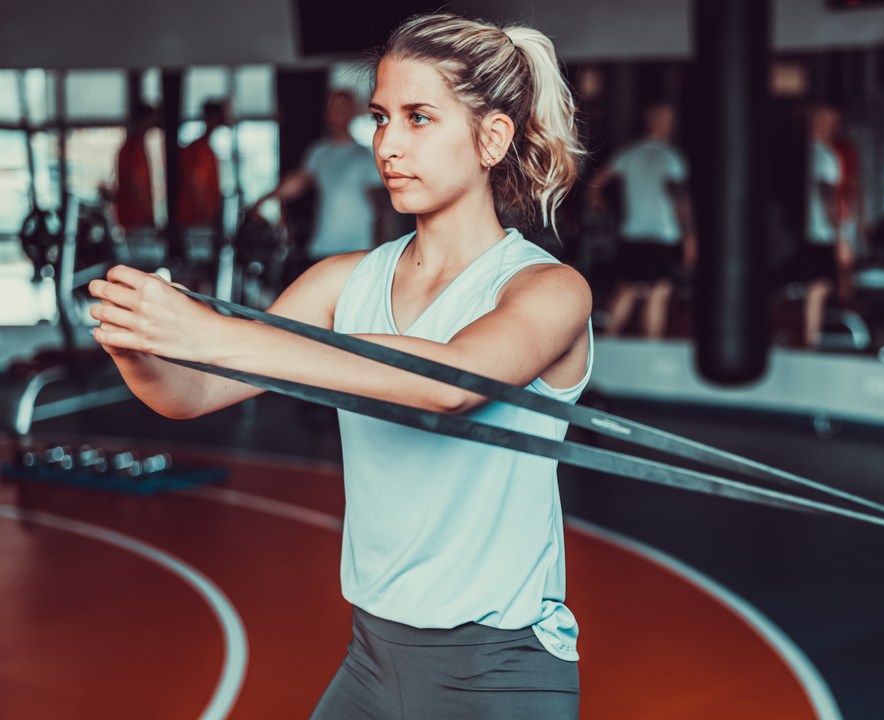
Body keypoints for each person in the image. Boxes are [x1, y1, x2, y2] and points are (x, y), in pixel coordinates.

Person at [89, 12, 591, 719]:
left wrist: (208, 332)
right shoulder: (340, 283)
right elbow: (192, 393)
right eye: (382, 118)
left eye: (419, 118)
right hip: (371, 660)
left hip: (499, 670)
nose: (388, 143)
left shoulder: (547, 289)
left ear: (491, 138)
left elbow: (450, 384)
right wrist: (138, 343)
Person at [589, 103, 695, 339]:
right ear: (660, 122)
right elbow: (681, 202)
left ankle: (606, 344)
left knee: (628, 289)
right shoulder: (672, 157)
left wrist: (596, 200)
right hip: (663, 235)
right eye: (669, 120)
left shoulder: (629, 153)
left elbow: (597, 180)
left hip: (632, 233)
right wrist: (689, 238)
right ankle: (651, 351)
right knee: (658, 293)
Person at [251, 89, 386, 264]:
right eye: (330, 109)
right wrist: (264, 200)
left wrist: (382, 249)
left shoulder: (365, 157)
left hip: (358, 252)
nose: (332, 114)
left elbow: (381, 209)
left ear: (351, 112)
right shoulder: (319, 153)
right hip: (323, 250)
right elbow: (297, 182)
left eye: (339, 108)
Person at [800, 104, 854, 349]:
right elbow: (826, 194)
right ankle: (811, 339)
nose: (835, 127)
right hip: (820, 232)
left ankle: (812, 336)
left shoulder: (808, 152)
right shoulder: (823, 155)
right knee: (820, 286)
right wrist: (839, 235)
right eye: (831, 121)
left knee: (819, 285)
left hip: (807, 231)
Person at [175, 100, 228, 267]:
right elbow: (194, 182)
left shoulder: (207, 149)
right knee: (200, 270)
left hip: (203, 222)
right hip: (197, 223)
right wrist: (207, 217)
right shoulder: (197, 149)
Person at [114, 103, 161, 265]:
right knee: (141, 269)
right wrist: (148, 217)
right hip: (137, 223)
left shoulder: (137, 148)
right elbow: (135, 184)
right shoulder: (132, 149)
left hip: (137, 223)